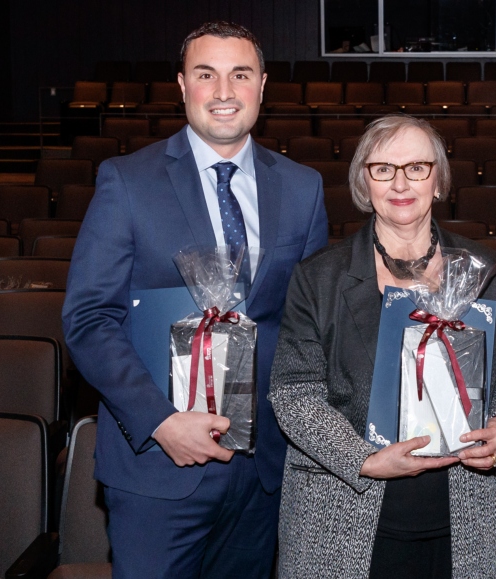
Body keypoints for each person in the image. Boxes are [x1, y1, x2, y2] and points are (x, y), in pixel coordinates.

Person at [62, 21, 328, 578]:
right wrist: (160, 422)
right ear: (182, 85)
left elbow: (308, 326)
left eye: (241, 75)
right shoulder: (127, 182)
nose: (225, 92)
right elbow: (89, 320)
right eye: (207, 75)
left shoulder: (303, 188)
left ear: (263, 85)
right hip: (157, 467)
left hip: (262, 473)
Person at [268, 115, 496, 578]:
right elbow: (293, 393)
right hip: (343, 514)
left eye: (416, 167)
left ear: (438, 179)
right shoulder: (319, 277)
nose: (400, 182)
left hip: (466, 513)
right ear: (363, 181)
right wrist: (364, 460)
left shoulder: (485, 268)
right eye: (383, 168)